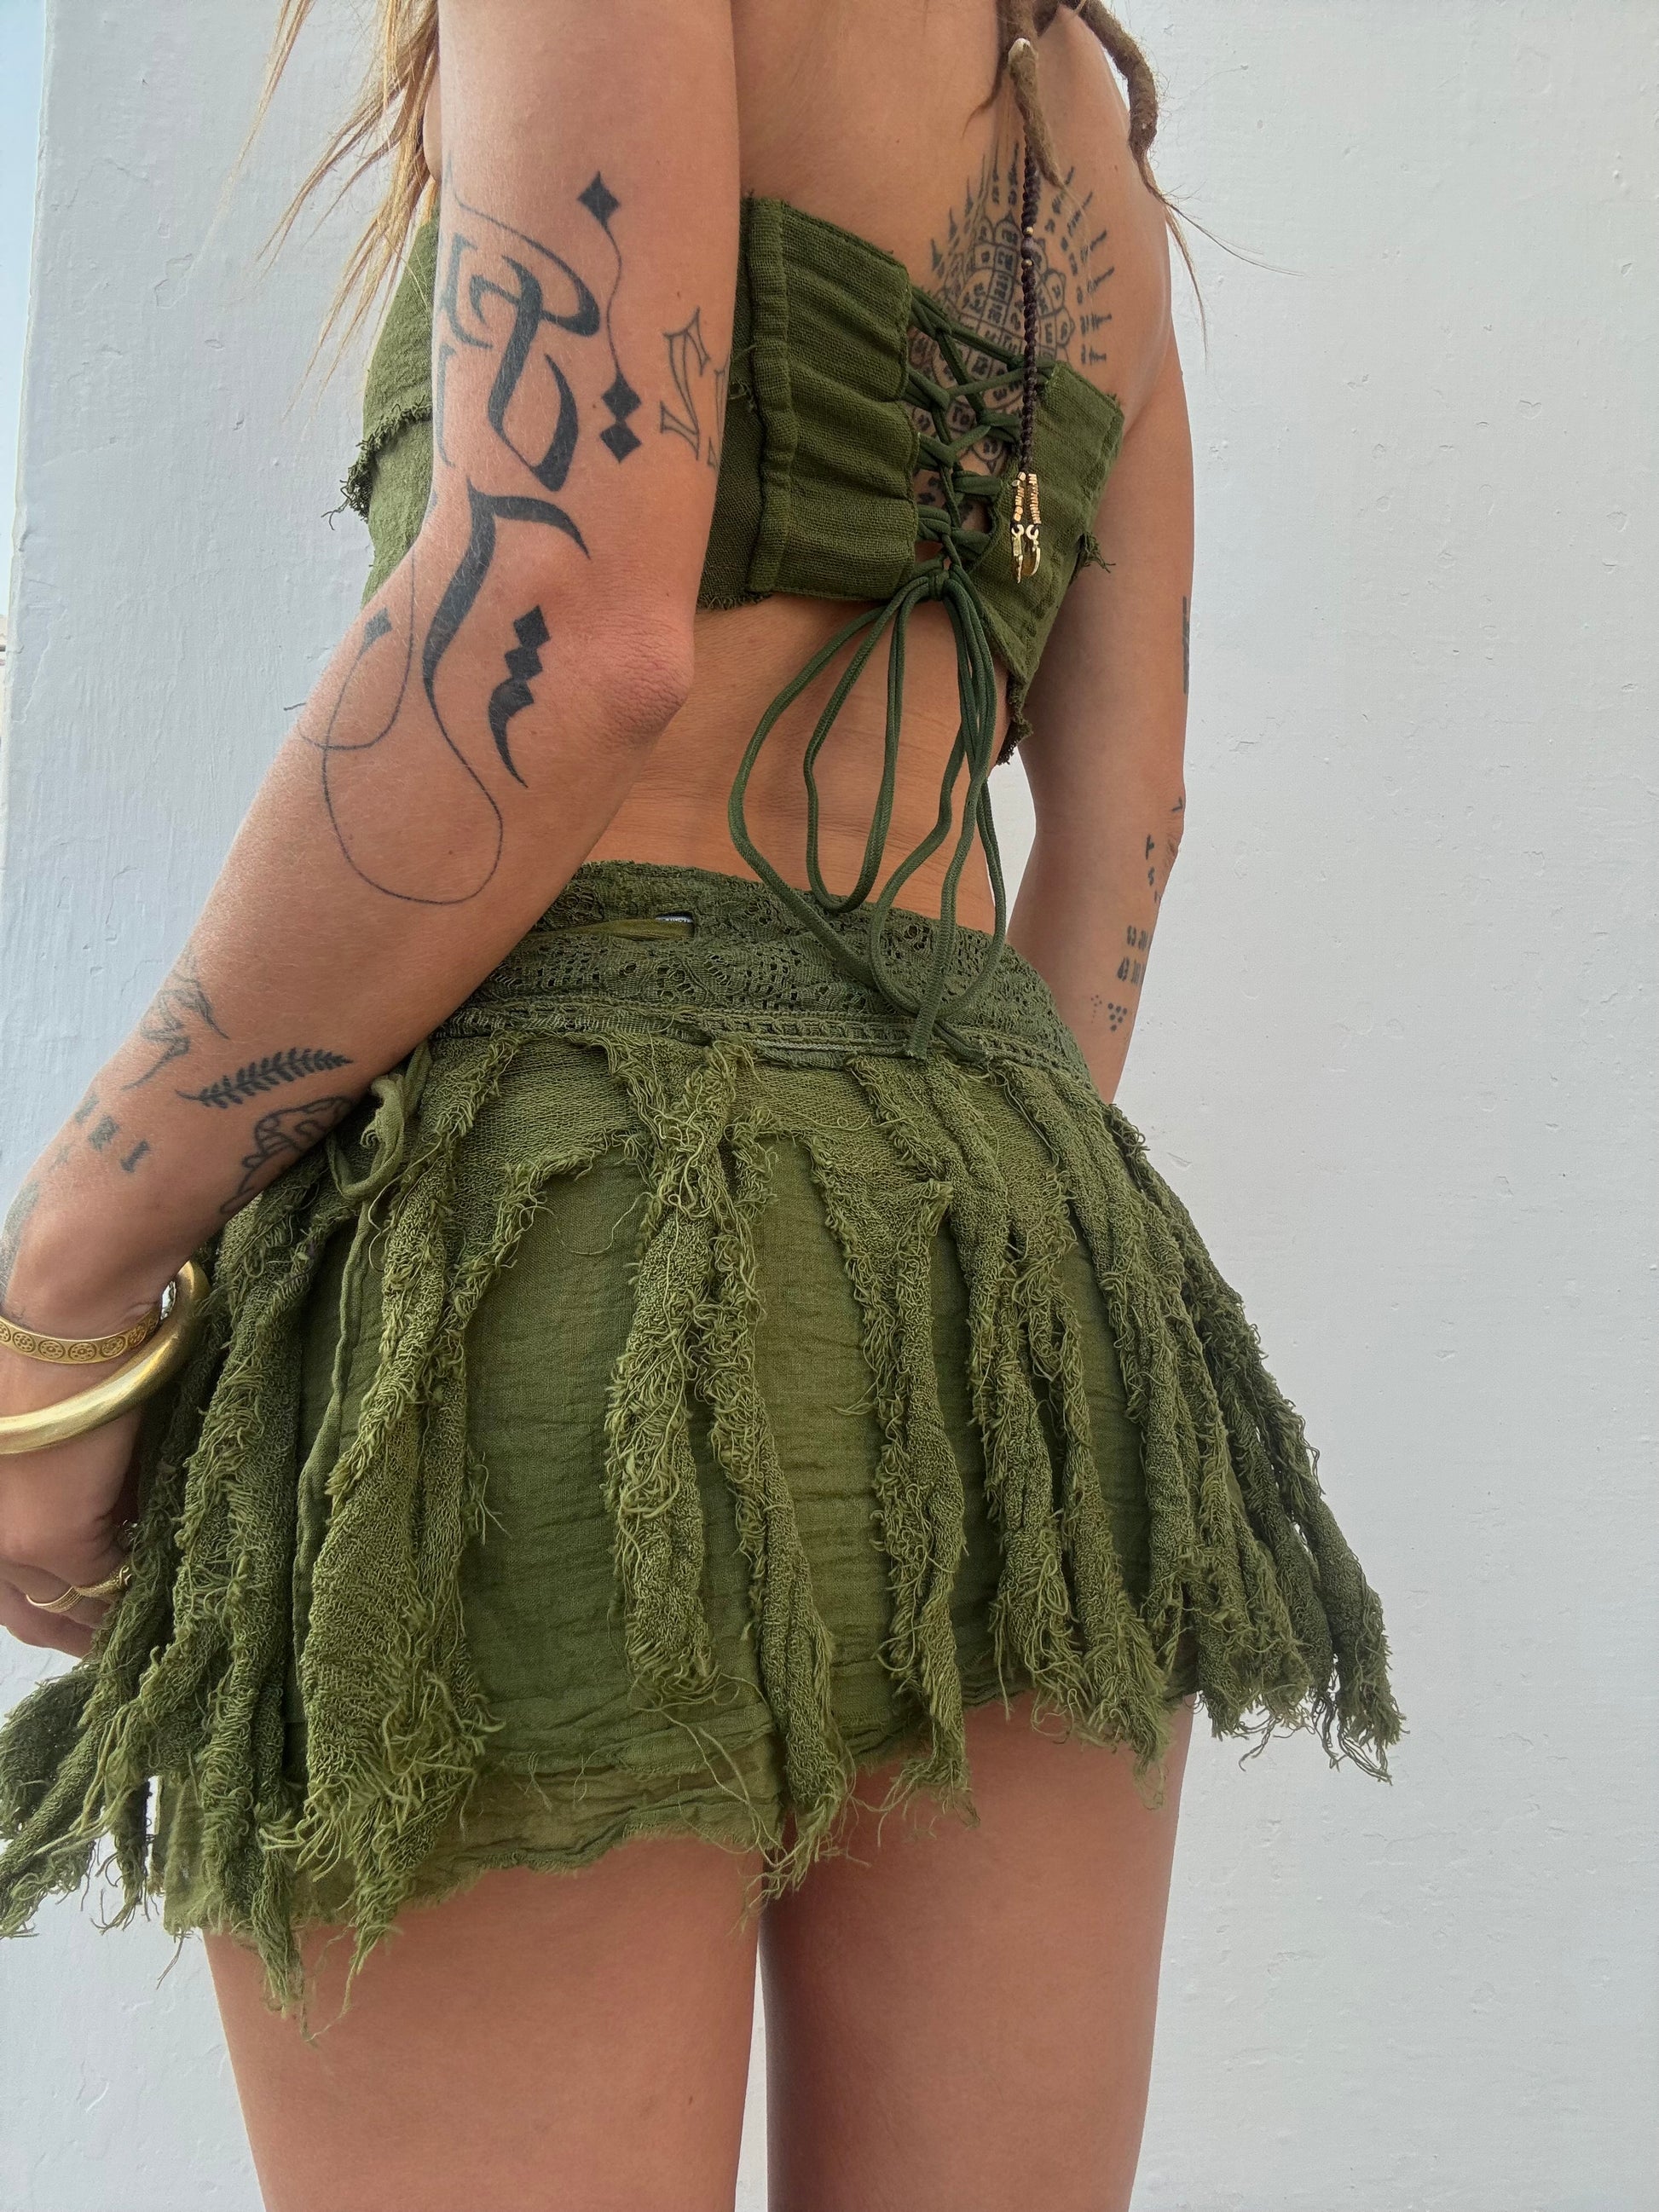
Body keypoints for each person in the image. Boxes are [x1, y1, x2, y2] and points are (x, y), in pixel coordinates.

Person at [0, 3, 1400, 2206]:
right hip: (1021, 1282)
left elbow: (561, 627)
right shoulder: (1076, 134)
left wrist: (58, 1293)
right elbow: (1123, 817)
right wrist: (968, 1235)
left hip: (561, 1245)